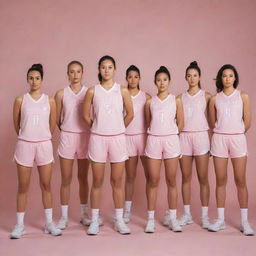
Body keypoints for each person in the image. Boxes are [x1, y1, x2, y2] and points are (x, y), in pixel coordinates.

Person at [83, 55, 134, 235]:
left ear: (114, 70)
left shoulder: (122, 91)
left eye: (110, 67)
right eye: (103, 67)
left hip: (117, 140)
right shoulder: (92, 91)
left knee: (117, 181)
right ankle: (94, 220)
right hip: (98, 139)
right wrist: (98, 128)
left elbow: (130, 114)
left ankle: (119, 220)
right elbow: (85, 115)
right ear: (99, 70)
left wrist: (118, 128)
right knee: (96, 181)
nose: (106, 70)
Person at [10, 64, 61, 238]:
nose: (34, 81)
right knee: (23, 186)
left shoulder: (50, 101)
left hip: (44, 146)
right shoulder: (20, 100)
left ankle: (49, 223)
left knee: (46, 185)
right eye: (31, 78)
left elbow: (52, 125)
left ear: (42, 80)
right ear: (27, 80)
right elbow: (17, 125)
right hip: (25, 145)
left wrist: (41, 137)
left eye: (37, 78)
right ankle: (19, 225)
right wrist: (27, 136)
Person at [208, 64, 254, 236]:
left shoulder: (243, 96)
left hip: (237, 139)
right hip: (219, 139)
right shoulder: (214, 99)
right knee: (220, 180)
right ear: (220, 78)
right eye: (224, 76)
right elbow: (213, 123)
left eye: (231, 76)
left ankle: (244, 222)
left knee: (240, 180)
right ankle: (220, 220)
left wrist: (235, 133)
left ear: (235, 78)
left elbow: (247, 122)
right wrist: (223, 132)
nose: (227, 79)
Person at [164, 61, 211, 228]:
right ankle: (187, 214)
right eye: (189, 76)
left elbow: (213, 120)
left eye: (195, 75)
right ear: (185, 78)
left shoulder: (207, 96)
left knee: (203, 178)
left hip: (201, 137)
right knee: (185, 177)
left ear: (200, 77)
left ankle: (205, 216)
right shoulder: (179, 98)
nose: (192, 78)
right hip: (184, 138)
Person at [55, 61, 98, 229]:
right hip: (67, 137)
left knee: (83, 177)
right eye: (72, 72)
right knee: (65, 178)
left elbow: (94, 114)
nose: (75, 75)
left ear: (82, 73)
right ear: (67, 74)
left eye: (78, 71)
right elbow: (57, 119)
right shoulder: (60, 94)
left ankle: (84, 213)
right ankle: (64, 217)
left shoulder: (90, 92)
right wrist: (68, 130)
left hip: (85, 137)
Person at [144, 66, 184, 233]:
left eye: (165, 80)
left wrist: (171, 136)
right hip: (153, 140)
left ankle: (173, 219)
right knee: (153, 180)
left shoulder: (176, 100)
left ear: (169, 81)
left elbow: (181, 123)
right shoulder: (149, 102)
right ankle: (150, 219)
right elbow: (148, 122)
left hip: (171, 141)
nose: (162, 83)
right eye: (159, 80)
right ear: (155, 82)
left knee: (171, 180)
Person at [124, 65, 151, 223]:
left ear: (139, 78)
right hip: (128, 138)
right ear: (126, 78)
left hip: (144, 138)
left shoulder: (146, 97)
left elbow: (150, 119)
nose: (133, 80)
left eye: (136, 76)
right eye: (130, 77)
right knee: (130, 176)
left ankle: (150, 211)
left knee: (150, 177)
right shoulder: (122, 95)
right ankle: (127, 211)